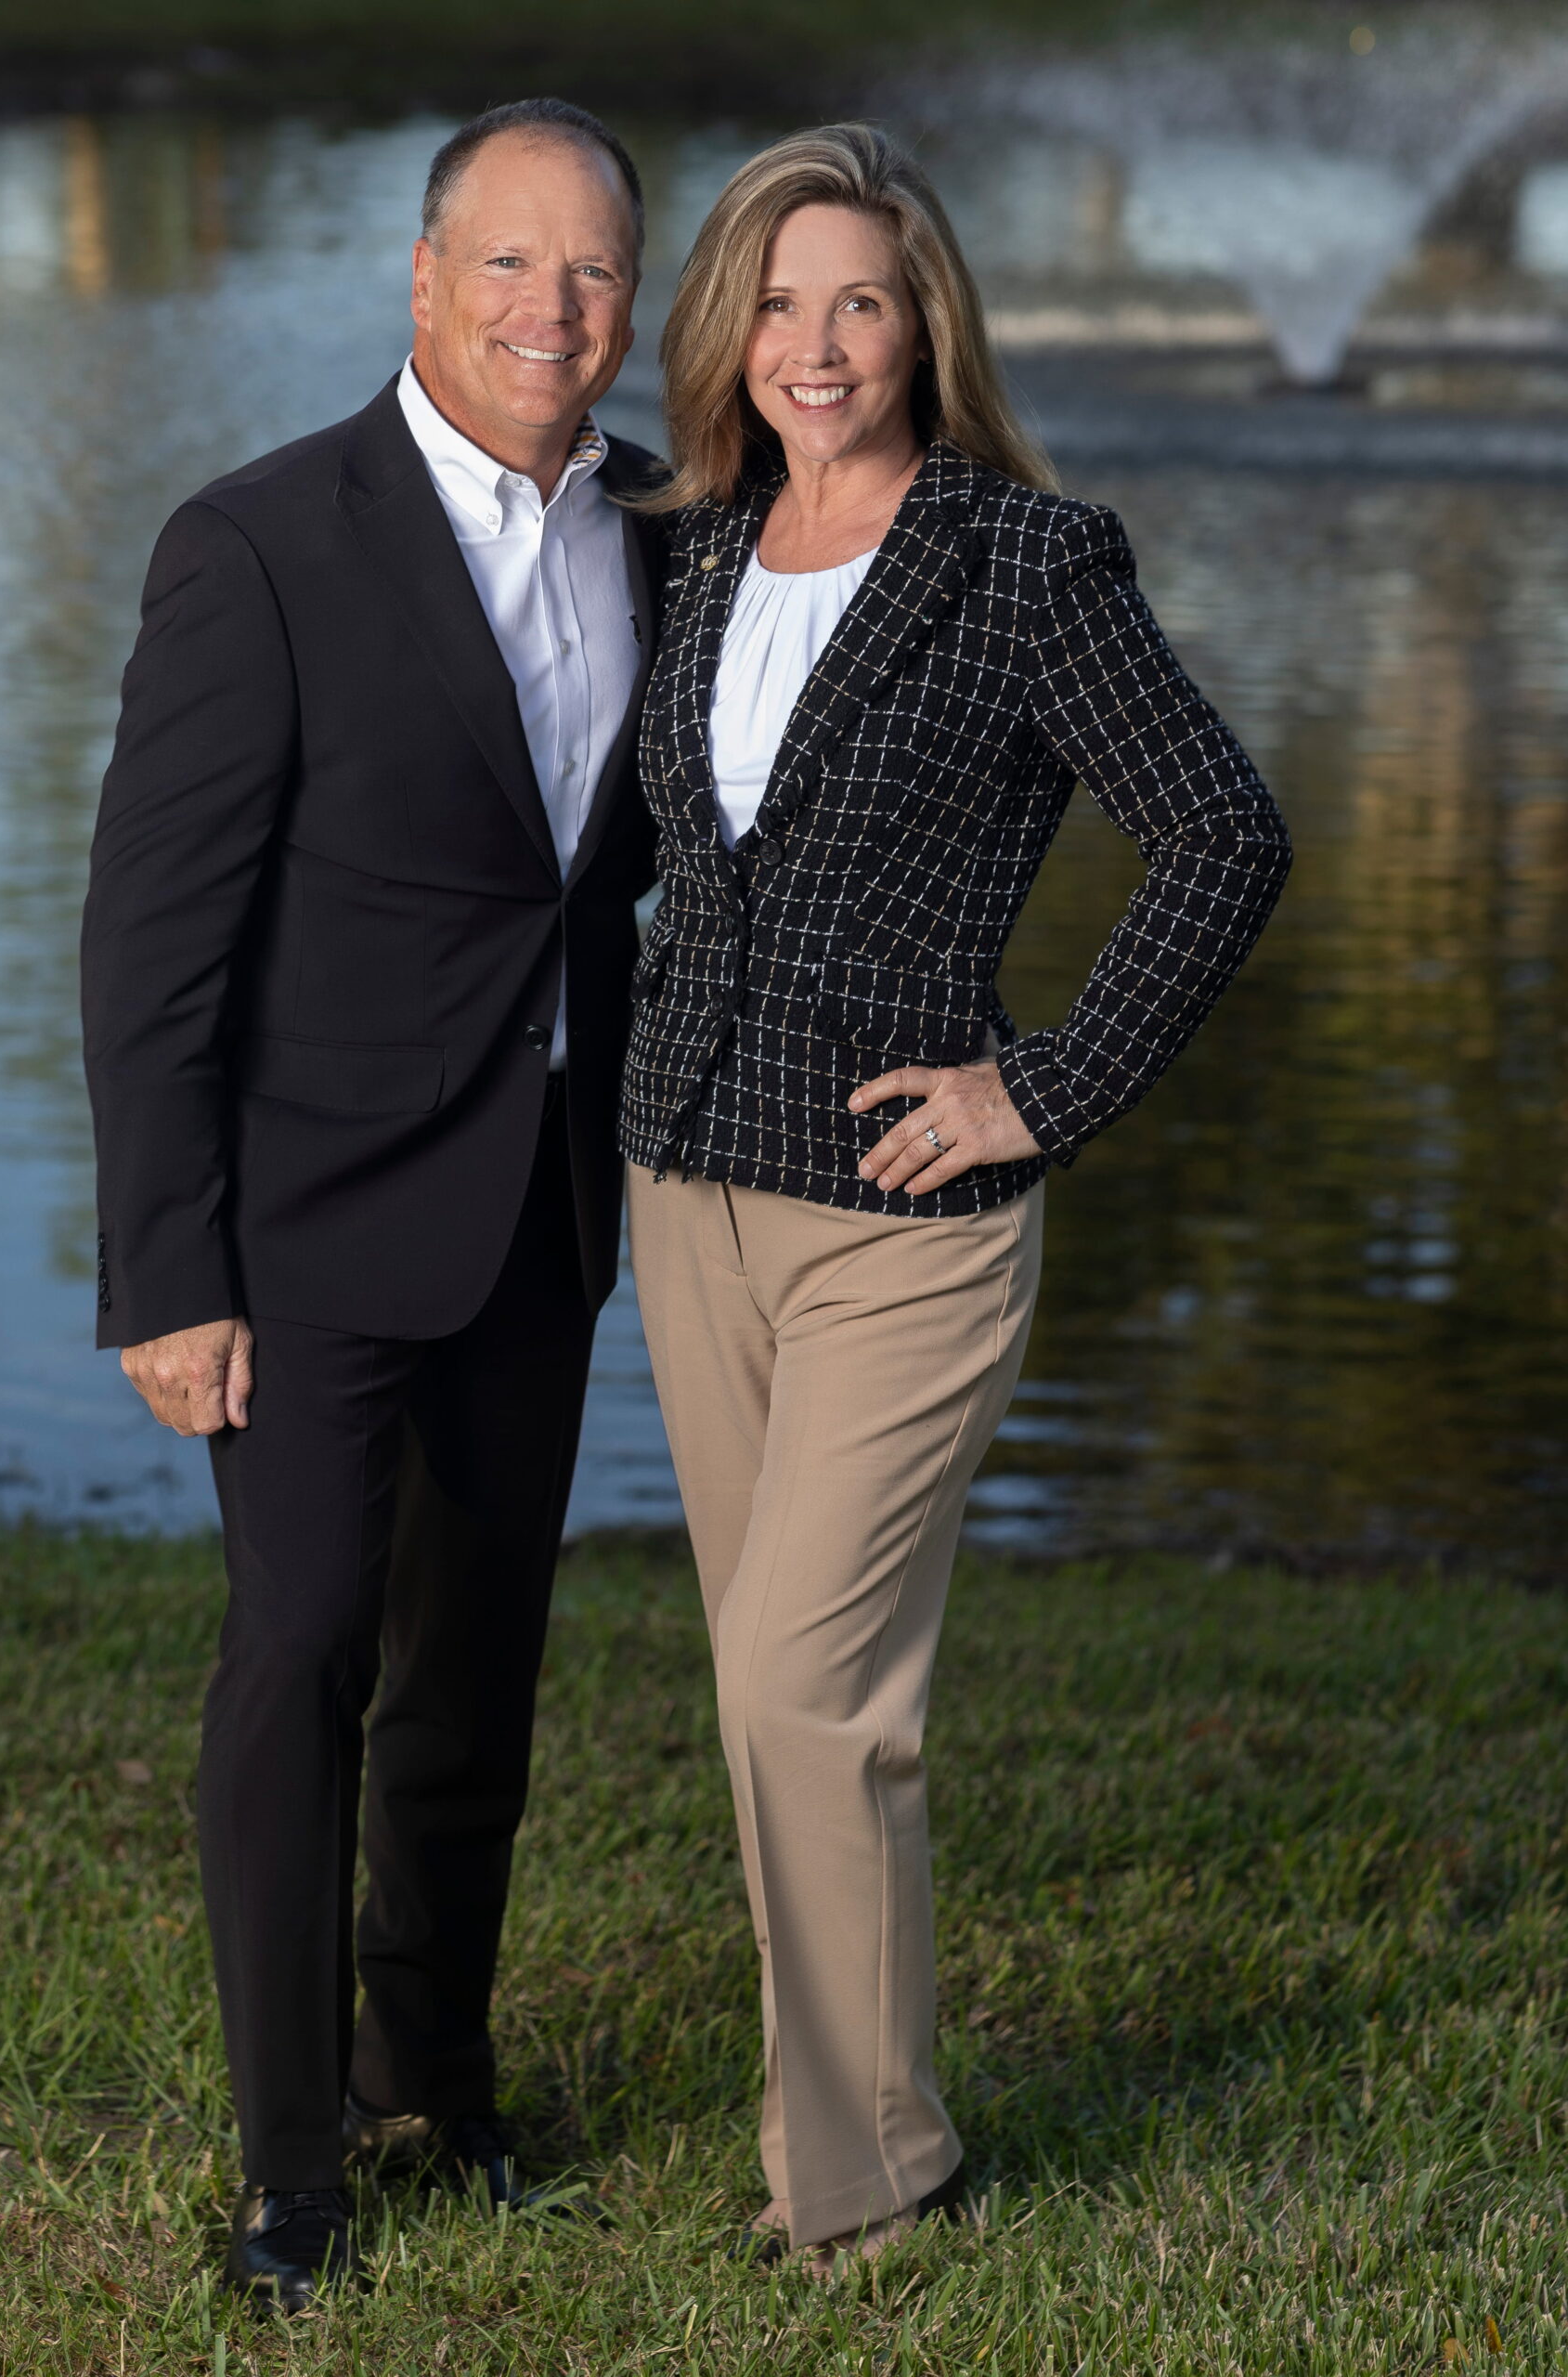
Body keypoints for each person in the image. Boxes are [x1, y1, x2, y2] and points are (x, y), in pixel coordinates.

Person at [621, 124, 1291, 2276]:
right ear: (732, 321)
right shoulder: (698, 542)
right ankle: (839, 2123)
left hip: (904, 1217)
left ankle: (872, 2183)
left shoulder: (1025, 557)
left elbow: (1224, 832)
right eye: (784, 299)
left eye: (865, 304)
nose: (819, 346)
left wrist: (1050, 1085)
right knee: (775, 1690)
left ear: (928, 329)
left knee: (807, 1690)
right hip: (688, 1192)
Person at [81, 97, 661, 2310]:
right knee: (302, 1652)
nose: (553, 308)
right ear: (423, 283)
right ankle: (290, 2165)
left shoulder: (660, 538)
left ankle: (437, 2078)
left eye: (595, 269)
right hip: (304, 1229)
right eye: (510, 265)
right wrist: (169, 1263)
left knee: (475, 1672)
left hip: (533, 1214)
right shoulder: (260, 542)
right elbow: (151, 939)